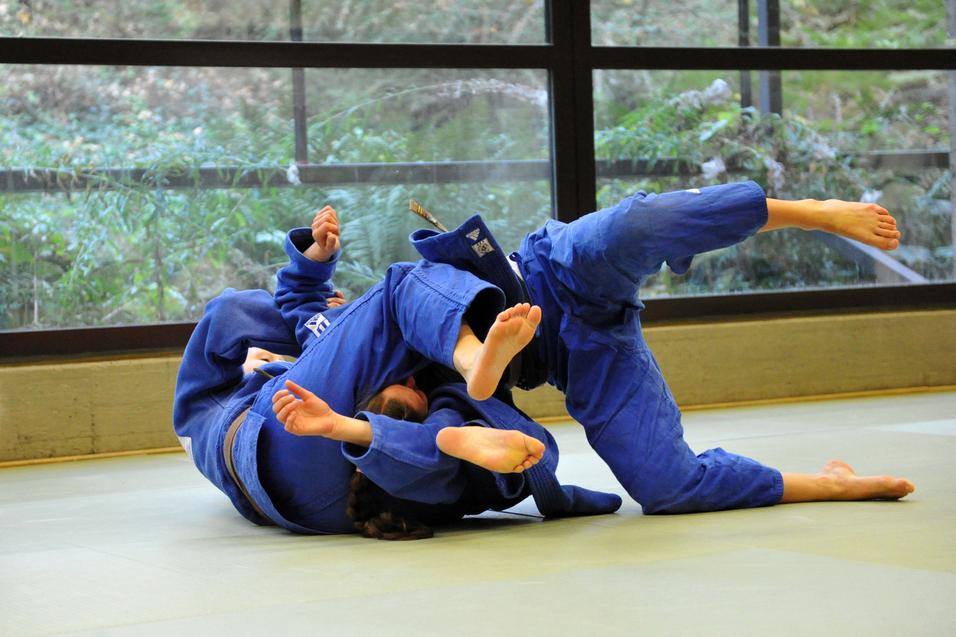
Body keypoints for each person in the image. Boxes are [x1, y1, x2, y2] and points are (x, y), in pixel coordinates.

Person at [275, 181, 914, 518]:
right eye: (409, 402)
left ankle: (813, 210)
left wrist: (315, 260)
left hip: (555, 271)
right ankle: (829, 483)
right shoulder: (435, 410)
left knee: (641, 224)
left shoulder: (342, 337)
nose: (410, 391)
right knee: (666, 489)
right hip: (579, 349)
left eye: (393, 396)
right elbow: (430, 444)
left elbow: (302, 308)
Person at [173, 207, 619, 535]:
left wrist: (313, 266)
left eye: (400, 382)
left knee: (460, 413)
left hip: (339, 497)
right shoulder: (231, 410)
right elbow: (259, 316)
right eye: (407, 383)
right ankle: (466, 363)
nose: (405, 376)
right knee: (401, 289)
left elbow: (292, 308)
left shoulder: (242, 405)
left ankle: (443, 420)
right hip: (315, 454)